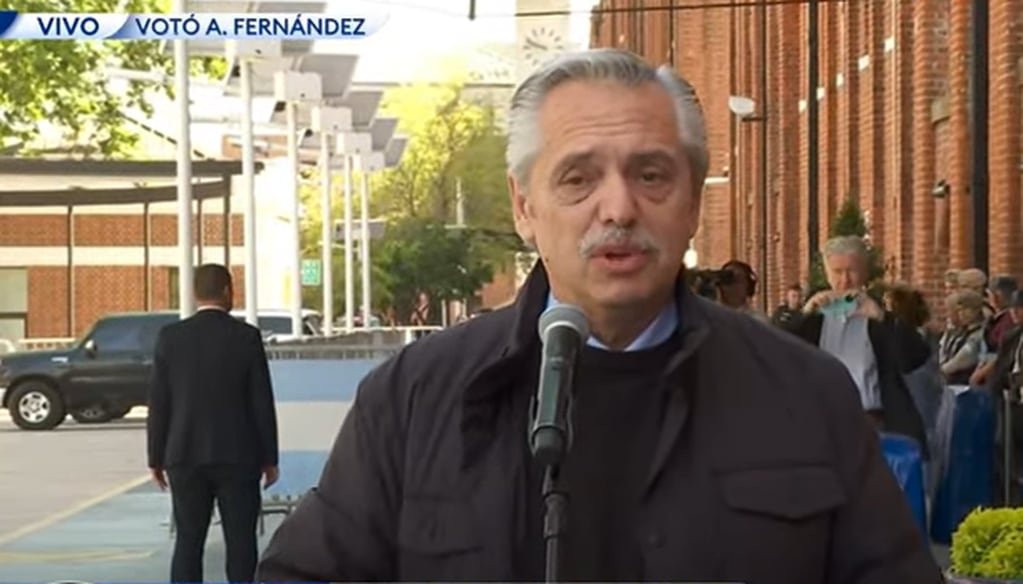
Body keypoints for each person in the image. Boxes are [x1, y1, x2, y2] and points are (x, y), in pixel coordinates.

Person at [256, 48, 941, 583]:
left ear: (692, 201)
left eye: (650, 174)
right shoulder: (416, 396)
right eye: (578, 177)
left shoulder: (803, 392)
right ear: (524, 206)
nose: (617, 209)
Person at [147, 263, 280, 583]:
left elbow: (159, 404)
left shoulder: (170, 337)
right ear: (227, 291)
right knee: (241, 543)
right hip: (238, 456)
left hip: (184, 455)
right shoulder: (246, 338)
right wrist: (269, 458)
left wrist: (155, 457)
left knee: (189, 542)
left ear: (194, 294)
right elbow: (261, 402)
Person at [795, 235, 930, 450]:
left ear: (865, 273)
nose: (845, 280)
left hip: (874, 421)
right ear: (827, 274)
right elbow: (779, 351)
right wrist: (803, 314)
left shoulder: (882, 315)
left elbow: (915, 358)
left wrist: (881, 317)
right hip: (822, 421)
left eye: (852, 271)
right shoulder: (813, 318)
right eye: (837, 272)